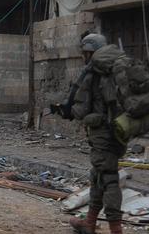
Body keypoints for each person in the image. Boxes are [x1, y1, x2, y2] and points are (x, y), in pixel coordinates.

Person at [58, 33, 126, 234]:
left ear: (91, 52)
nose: (84, 57)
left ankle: (116, 229)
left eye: (86, 53)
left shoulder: (92, 74)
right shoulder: (117, 71)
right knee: (97, 176)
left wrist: (65, 111)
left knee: (109, 178)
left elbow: (80, 109)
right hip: (119, 132)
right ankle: (89, 222)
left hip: (102, 134)